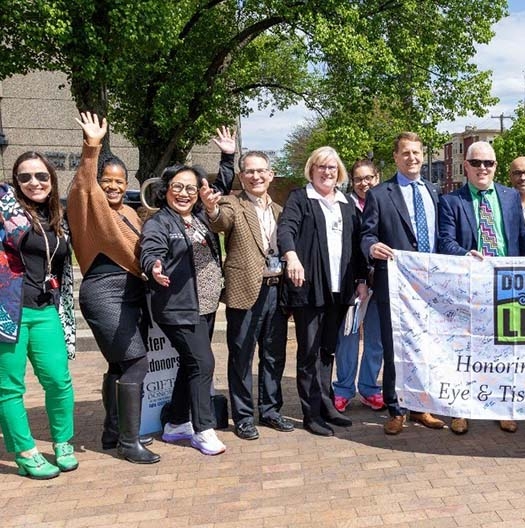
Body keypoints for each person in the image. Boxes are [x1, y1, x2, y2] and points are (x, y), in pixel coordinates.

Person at [67, 111, 159, 464]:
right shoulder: (87, 209)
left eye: (120, 181)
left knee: (120, 366)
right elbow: (83, 186)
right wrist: (92, 146)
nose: (114, 186)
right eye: (108, 179)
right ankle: (129, 441)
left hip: (132, 293)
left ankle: (112, 430)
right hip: (105, 291)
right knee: (135, 363)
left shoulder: (133, 214)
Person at [438, 141, 525, 435]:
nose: (483, 168)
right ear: (465, 166)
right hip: (468, 287)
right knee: (465, 350)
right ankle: (461, 409)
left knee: (504, 350)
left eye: (488, 163)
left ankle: (503, 407)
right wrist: (465, 255)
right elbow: (445, 241)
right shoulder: (451, 201)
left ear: (495, 167)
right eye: (476, 163)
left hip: (505, 286)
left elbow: (521, 238)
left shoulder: (509, 197)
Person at [201, 150, 293, 441]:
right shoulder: (232, 203)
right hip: (244, 291)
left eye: (261, 171)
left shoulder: (280, 211)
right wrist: (211, 209)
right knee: (241, 356)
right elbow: (219, 221)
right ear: (241, 176)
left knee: (273, 356)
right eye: (249, 171)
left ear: (270, 174)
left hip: (276, 291)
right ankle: (242, 417)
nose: (256, 176)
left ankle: (270, 410)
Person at [360, 132, 447, 435]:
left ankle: (423, 407)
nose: (412, 158)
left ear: (423, 156)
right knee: (395, 346)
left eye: (417, 153)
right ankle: (396, 408)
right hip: (395, 286)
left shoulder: (435, 193)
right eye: (405, 153)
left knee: (427, 346)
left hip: (430, 287)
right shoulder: (381, 194)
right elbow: (367, 234)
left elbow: (442, 239)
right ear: (396, 157)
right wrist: (371, 247)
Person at [140, 164, 226, 455]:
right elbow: (150, 249)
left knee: (191, 364)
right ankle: (203, 430)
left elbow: (221, 184)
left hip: (206, 305)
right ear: (166, 190)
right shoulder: (160, 222)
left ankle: (176, 424)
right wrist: (153, 265)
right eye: (177, 186)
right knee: (203, 364)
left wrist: (227, 156)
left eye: (191, 188)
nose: (184, 193)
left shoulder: (200, 217)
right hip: (179, 307)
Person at [0, 154, 76, 479]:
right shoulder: (5, 211)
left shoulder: (57, 215)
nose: (35, 183)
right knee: (10, 388)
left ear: (52, 178)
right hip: (8, 311)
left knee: (59, 380)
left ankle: (62, 441)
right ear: (15, 181)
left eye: (41, 176)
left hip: (46, 309)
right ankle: (25, 452)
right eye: (26, 177)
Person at [278, 147, 363, 436]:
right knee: (309, 353)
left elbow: (357, 243)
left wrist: (362, 279)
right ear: (311, 170)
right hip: (310, 288)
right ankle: (311, 413)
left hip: (339, 290)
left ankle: (327, 405)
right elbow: (286, 230)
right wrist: (292, 257)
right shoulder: (300, 199)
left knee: (327, 350)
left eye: (331, 168)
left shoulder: (346, 203)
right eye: (321, 167)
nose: (327, 172)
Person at [332, 159, 385, 413]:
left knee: (376, 339)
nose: (364, 183)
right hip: (352, 284)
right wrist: (359, 280)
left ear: (378, 177)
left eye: (369, 178)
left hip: (381, 283)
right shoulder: (343, 206)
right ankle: (343, 389)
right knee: (349, 337)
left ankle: (369, 388)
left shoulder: (386, 202)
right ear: (351, 182)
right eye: (358, 179)